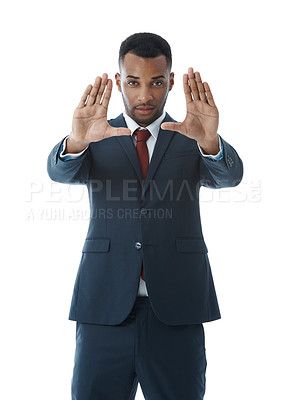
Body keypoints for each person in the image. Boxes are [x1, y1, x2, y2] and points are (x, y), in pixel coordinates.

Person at [47, 32, 243, 400]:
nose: (145, 95)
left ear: (170, 81)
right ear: (119, 80)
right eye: (134, 82)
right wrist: (76, 143)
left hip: (176, 306)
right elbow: (61, 173)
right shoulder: (95, 134)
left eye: (156, 82)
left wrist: (210, 144)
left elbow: (229, 177)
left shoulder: (192, 134)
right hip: (104, 304)